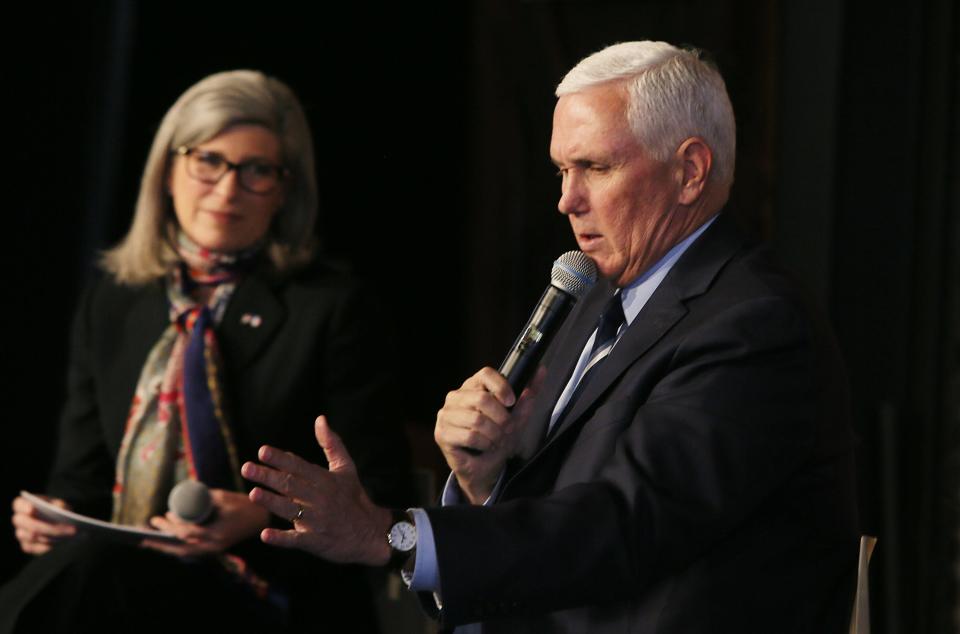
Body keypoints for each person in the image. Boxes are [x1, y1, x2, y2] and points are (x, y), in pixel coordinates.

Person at [240, 41, 860, 633]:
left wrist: (390, 534)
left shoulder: (756, 324)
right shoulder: (591, 292)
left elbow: (624, 525)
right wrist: (484, 476)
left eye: (596, 166)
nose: (567, 199)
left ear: (690, 171)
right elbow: (554, 509)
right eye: (563, 169)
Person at [2, 70, 412, 633]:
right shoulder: (116, 301)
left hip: (271, 586)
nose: (226, 190)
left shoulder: (334, 307)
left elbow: (381, 494)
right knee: (86, 570)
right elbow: (82, 479)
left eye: (257, 171)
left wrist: (261, 512)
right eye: (208, 161)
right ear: (168, 171)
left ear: (286, 190)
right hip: (117, 580)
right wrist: (52, 518)